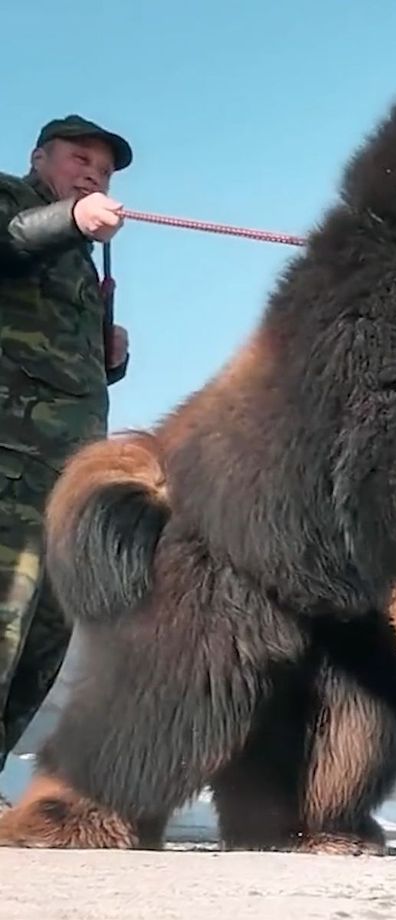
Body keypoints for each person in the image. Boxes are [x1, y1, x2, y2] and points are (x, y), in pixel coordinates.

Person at [0, 115, 133, 807]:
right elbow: (11, 241)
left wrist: (112, 360)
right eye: (79, 160)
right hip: (9, 462)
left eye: (103, 172)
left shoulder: (83, 262)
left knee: (44, 636)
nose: (92, 175)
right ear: (39, 158)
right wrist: (72, 219)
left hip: (66, 475)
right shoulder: (12, 204)